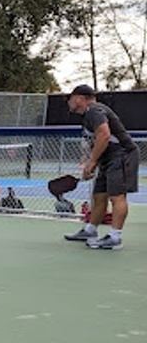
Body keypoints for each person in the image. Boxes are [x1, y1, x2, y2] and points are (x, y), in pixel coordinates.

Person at [62, 84, 140, 250]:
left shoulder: (94, 111)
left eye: (70, 99)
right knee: (99, 195)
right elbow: (99, 141)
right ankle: (90, 230)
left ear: (79, 98)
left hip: (123, 155)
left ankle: (115, 237)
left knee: (117, 196)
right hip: (108, 157)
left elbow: (104, 135)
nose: (69, 103)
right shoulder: (89, 114)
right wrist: (92, 163)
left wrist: (91, 162)